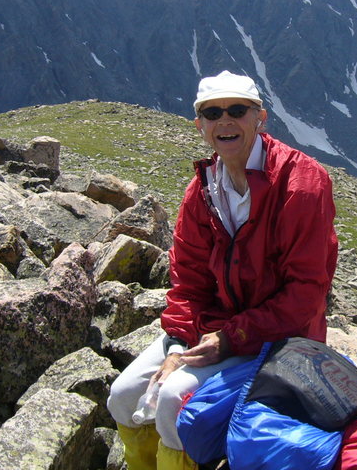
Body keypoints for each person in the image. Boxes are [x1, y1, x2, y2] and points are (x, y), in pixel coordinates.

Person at [107, 70, 338, 470]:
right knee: (123, 395)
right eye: (213, 113)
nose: (225, 121)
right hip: (216, 330)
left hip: (281, 339)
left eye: (237, 110)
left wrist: (229, 338)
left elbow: (305, 294)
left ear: (260, 117)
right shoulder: (202, 190)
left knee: (173, 400)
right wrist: (181, 343)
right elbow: (188, 280)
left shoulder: (301, 184)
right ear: (200, 125)